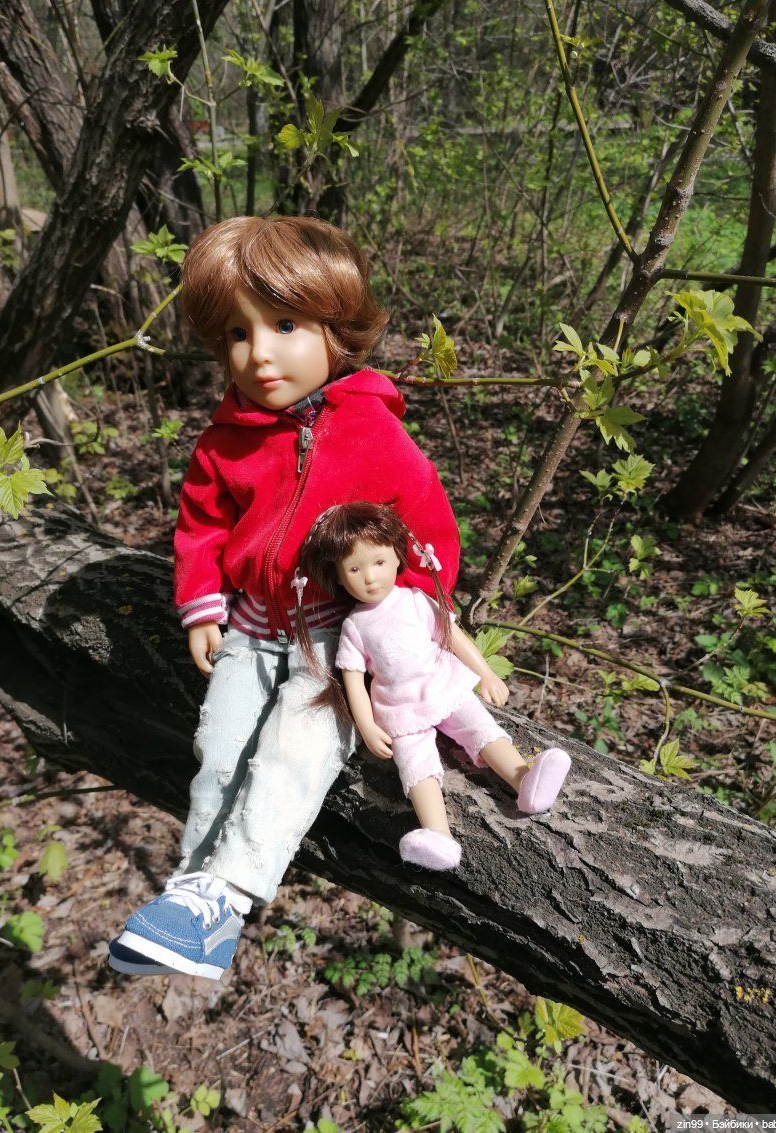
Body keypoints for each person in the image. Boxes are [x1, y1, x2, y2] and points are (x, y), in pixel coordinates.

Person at [108, 216, 460, 979]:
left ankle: (227, 891)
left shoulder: (373, 431)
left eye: (285, 325)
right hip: (252, 624)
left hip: (336, 635)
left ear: (338, 328)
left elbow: (425, 530)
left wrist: (415, 615)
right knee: (219, 749)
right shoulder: (227, 436)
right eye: (237, 334)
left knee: (292, 751)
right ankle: (194, 900)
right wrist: (202, 601)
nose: (259, 353)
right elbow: (202, 524)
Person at [295, 502, 571, 872]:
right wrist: (367, 725)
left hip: (443, 684)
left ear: (397, 557)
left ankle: (524, 780)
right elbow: (353, 680)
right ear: (339, 578)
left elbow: (452, 635)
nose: (370, 577)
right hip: (400, 708)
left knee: (482, 729)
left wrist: (486, 674)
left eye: (379, 562)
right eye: (354, 569)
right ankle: (438, 834)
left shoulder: (414, 600)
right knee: (416, 766)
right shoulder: (354, 626)